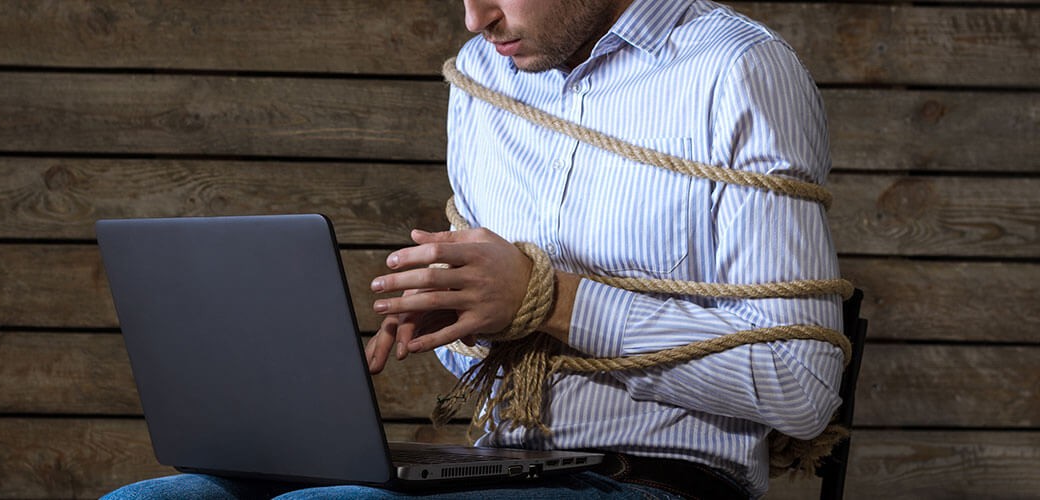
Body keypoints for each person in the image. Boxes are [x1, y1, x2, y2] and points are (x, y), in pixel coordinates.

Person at [104, 0, 843, 498]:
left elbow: (803, 389)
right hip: (504, 464)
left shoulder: (736, 69)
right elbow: (487, 350)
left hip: (660, 479)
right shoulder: (484, 75)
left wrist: (550, 301)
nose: (476, 15)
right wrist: (463, 314)